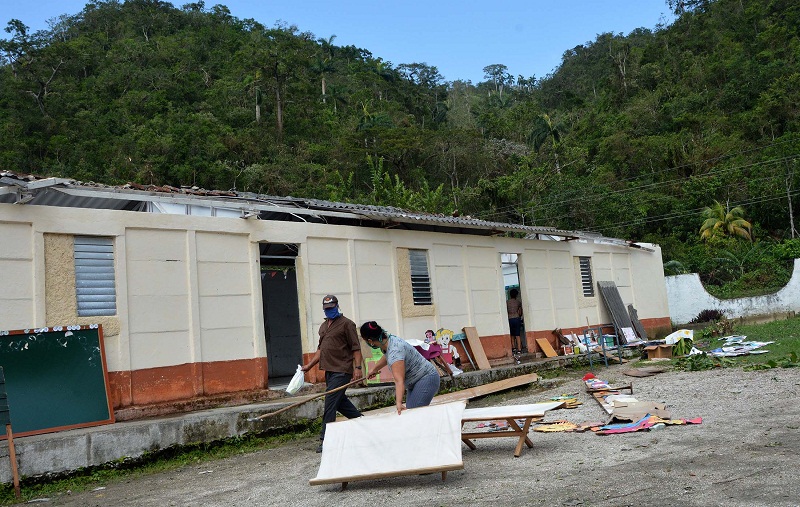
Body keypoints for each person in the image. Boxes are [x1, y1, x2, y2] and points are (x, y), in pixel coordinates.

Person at [301, 295, 363, 453]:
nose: (330, 311)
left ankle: (325, 439)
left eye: (332, 308)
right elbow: (320, 350)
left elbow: (356, 348)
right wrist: (309, 366)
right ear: (324, 309)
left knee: (330, 404)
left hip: (342, 370)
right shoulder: (323, 326)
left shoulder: (347, 324)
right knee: (340, 402)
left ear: (337, 306)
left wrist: (357, 368)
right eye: (327, 309)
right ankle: (363, 423)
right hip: (329, 370)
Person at [360, 321, 440, 415]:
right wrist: (374, 369)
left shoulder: (395, 352)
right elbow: (387, 356)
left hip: (426, 378)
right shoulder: (388, 341)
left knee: (413, 415)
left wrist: (398, 403)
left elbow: (399, 381)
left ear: (370, 341)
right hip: (414, 381)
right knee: (412, 413)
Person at [506, 288, 524, 354]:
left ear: (510, 295)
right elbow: (520, 312)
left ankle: (513, 348)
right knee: (517, 334)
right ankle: (519, 349)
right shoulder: (518, 302)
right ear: (516, 295)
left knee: (512, 334)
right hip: (516, 318)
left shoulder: (507, 302)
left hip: (510, 318)